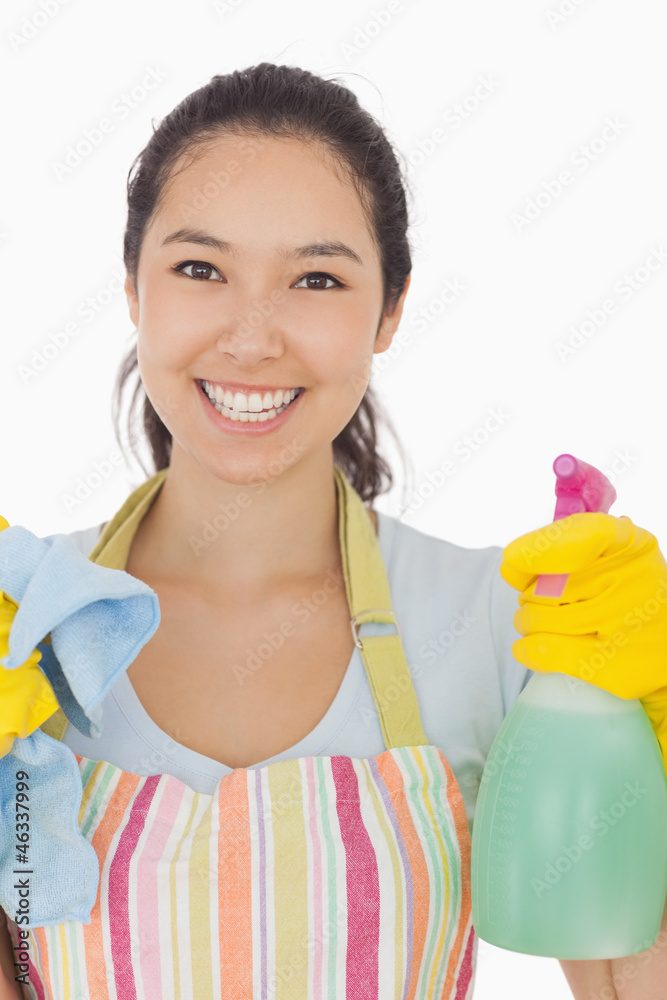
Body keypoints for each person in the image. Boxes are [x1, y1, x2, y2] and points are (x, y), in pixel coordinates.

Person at [1, 62, 666, 999]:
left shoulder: (511, 629)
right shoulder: (24, 635)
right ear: (131, 289)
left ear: (389, 310)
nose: (252, 336)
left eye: (316, 278)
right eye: (200, 269)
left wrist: (644, 740)